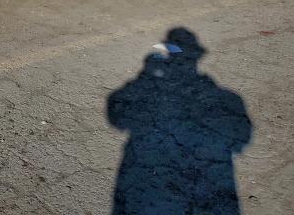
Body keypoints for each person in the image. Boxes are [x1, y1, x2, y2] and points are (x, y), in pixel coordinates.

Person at [107, 28, 252, 214]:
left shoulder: (220, 97)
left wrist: (143, 78)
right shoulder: (226, 97)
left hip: (157, 188)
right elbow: (240, 140)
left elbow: (117, 115)